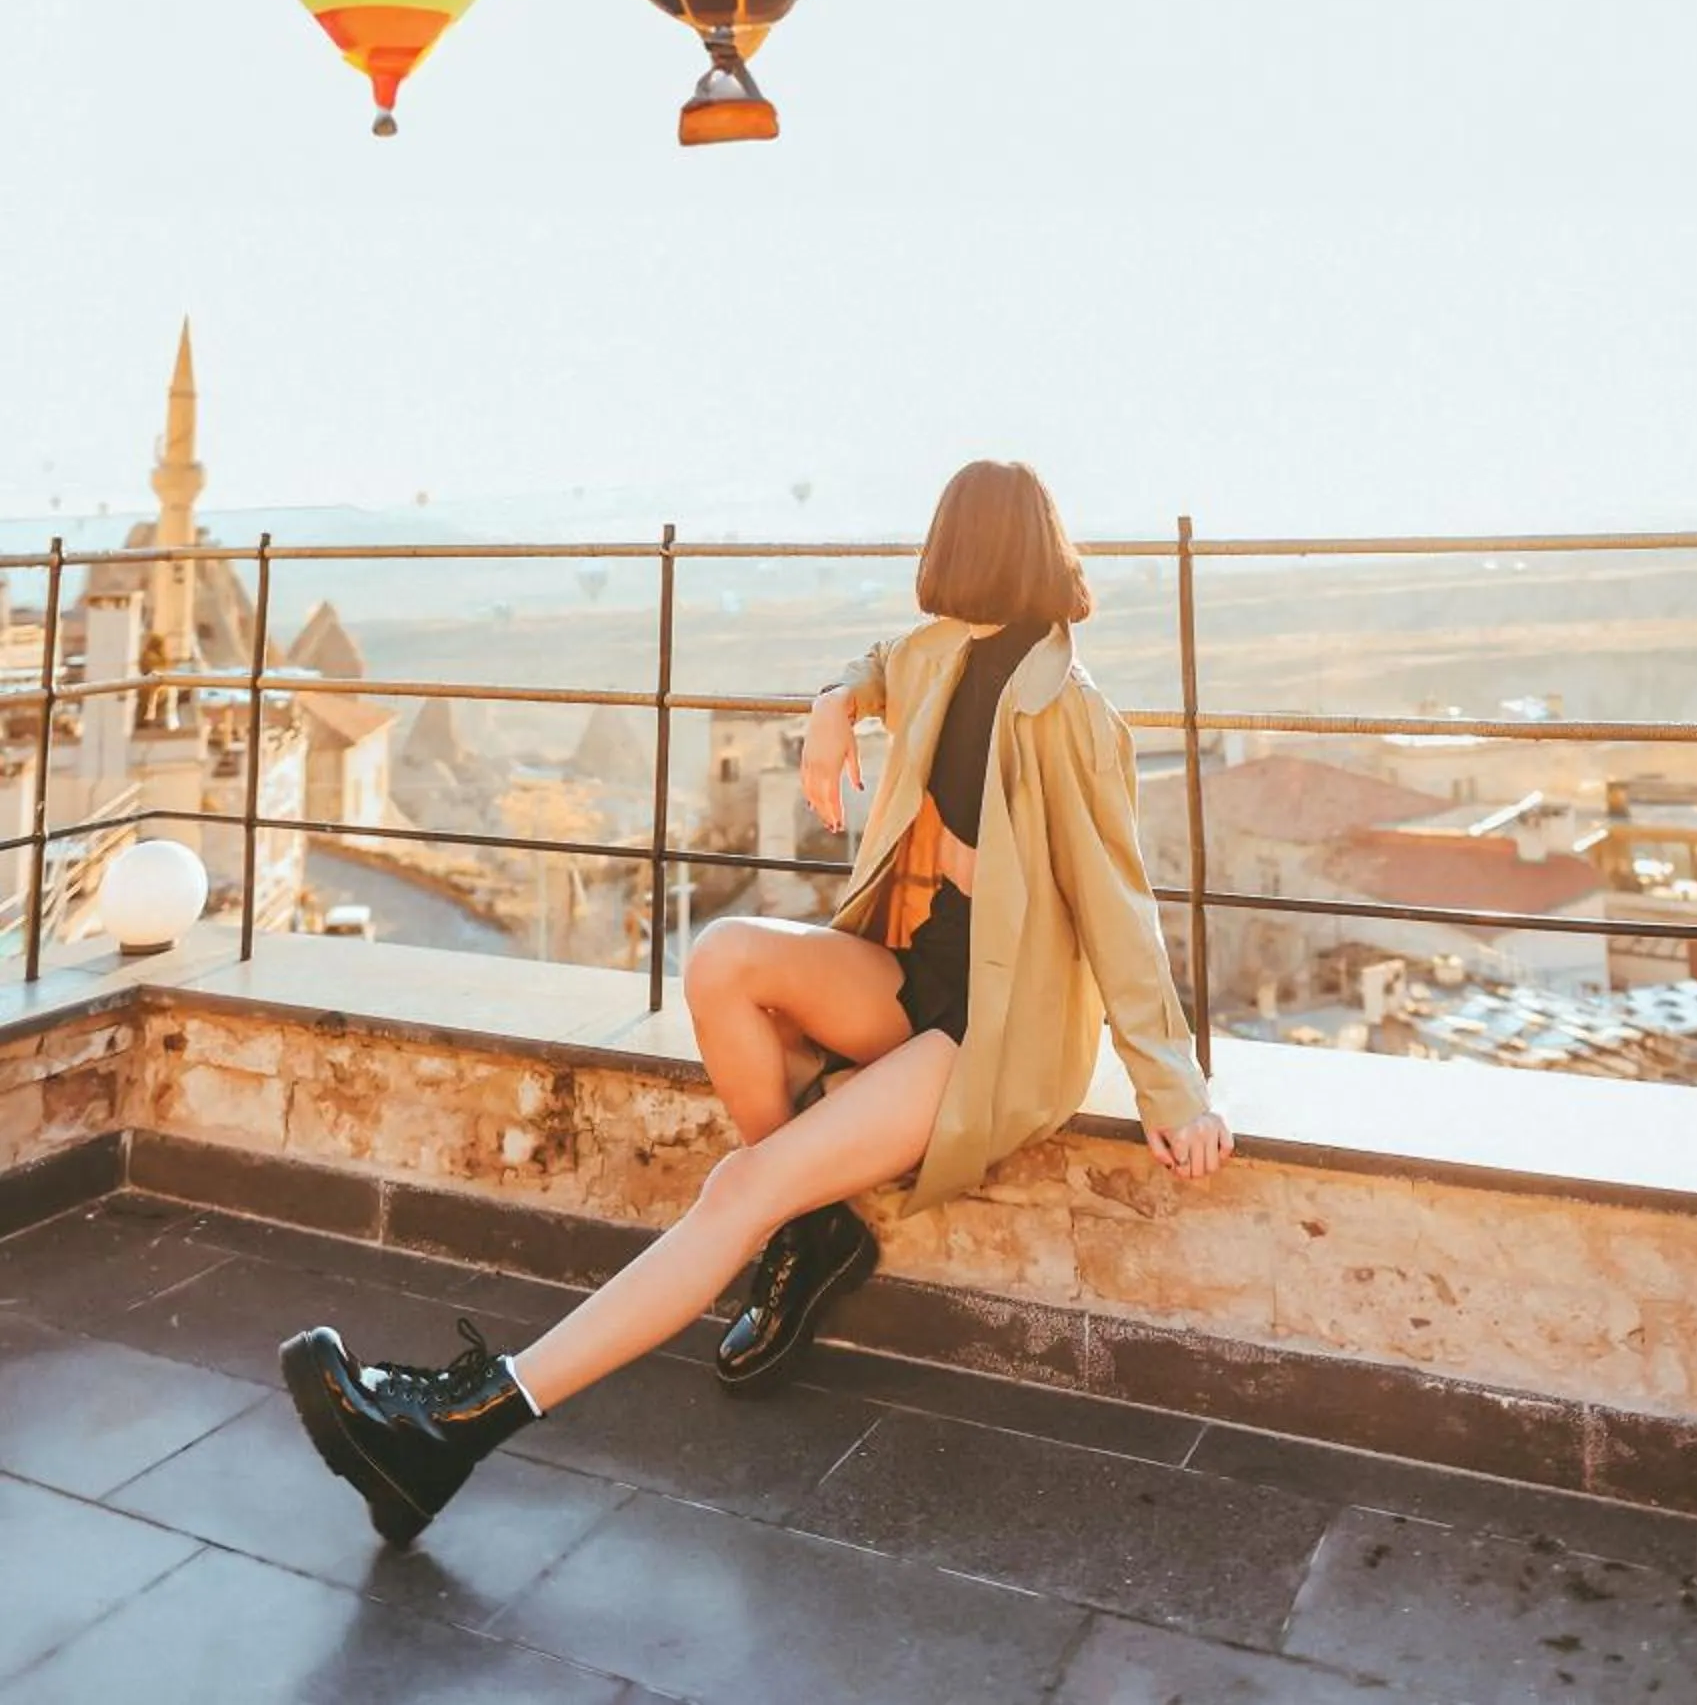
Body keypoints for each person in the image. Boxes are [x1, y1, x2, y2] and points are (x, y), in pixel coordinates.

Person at [279, 459, 1231, 1547]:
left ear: (964, 548)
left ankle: (457, 1428)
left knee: (738, 1188)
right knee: (722, 956)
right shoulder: (944, 653)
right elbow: (879, 662)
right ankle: (812, 1229)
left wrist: (1174, 1091)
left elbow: (1118, 907)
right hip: (920, 974)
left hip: (990, 1029)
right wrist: (834, 705)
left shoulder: (1070, 713)